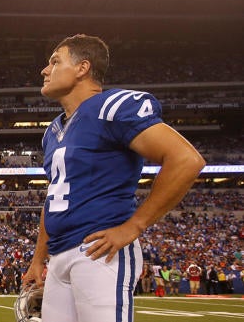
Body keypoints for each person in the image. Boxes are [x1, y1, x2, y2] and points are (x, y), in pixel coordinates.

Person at [23, 34, 206, 322]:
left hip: (98, 251)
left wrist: (134, 226)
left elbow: (186, 159)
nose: (45, 70)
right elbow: (54, 197)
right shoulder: (53, 132)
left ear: (82, 68)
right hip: (58, 257)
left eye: (55, 62)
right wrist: (38, 259)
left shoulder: (112, 106)